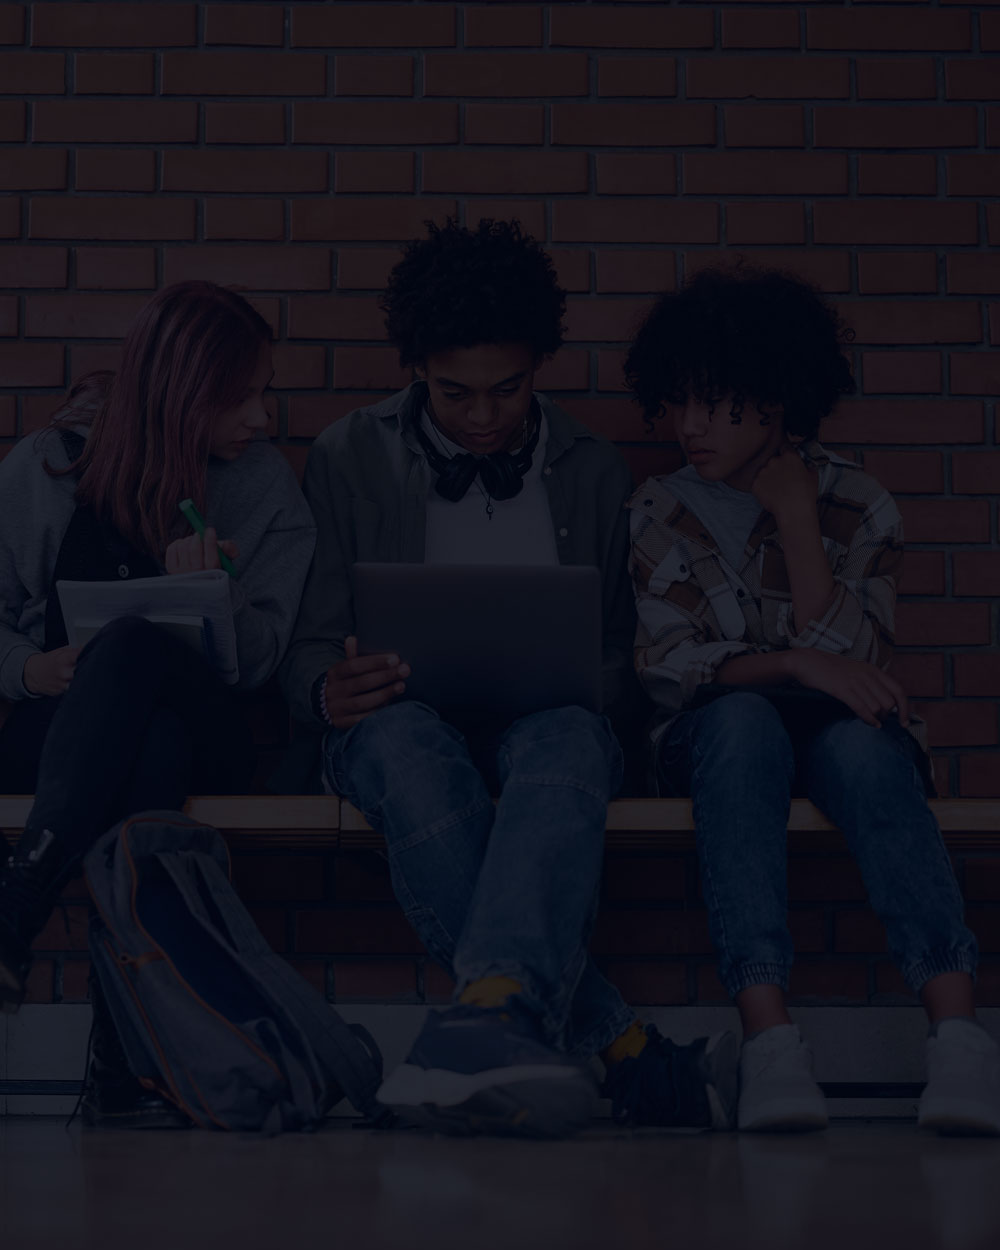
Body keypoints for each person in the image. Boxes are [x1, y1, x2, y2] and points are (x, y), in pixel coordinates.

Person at [286, 219, 732, 1137]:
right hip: (394, 724)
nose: (484, 416)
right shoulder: (346, 456)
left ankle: (489, 1028)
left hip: (547, 722)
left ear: (542, 367)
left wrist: (576, 676)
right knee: (409, 745)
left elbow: (624, 654)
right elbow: (306, 642)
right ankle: (599, 1040)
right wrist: (326, 690)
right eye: (455, 394)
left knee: (570, 737)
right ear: (415, 368)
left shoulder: (594, 471)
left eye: (509, 389)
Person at [625, 266, 1000, 1135]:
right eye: (680, 403)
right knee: (743, 724)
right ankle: (770, 1042)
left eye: (719, 407)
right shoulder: (654, 510)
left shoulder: (855, 504)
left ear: (778, 403)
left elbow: (861, 674)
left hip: (838, 729)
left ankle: (958, 1038)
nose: (691, 428)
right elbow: (673, 669)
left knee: (870, 750)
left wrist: (798, 521)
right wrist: (797, 662)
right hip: (715, 733)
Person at [0, 282, 314, 1124]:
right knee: (151, 747)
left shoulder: (266, 492)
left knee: (138, 645)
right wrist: (35, 670)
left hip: (216, 722)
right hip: (59, 722)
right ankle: (122, 1054)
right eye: (240, 396)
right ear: (183, 394)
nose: (261, 417)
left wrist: (210, 593)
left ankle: (19, 899)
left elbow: (261, 666)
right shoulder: (46, 467)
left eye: (264, 390)